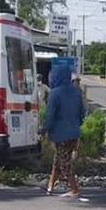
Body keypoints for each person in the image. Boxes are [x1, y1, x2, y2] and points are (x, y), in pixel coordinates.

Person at [43, 65, 86, 198]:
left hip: (60, 133)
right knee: (59, 158)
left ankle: (74, 188)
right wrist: (77, 124)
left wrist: (44, 130)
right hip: (74, 132)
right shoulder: (76, 92)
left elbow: (50, 115)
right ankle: (50, 186)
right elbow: (82, 112)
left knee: (64, 161)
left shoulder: (54, 93)